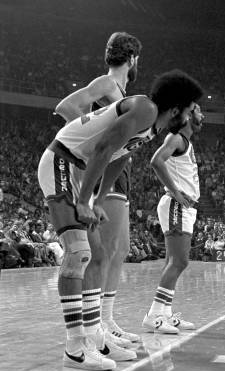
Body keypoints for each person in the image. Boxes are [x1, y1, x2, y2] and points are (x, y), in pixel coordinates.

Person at [37, 69, 203, 369]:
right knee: (79, 253)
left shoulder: (151, 127)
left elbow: (120, 156)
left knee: (98, 256)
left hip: (77, 169)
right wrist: (85, 200)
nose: (191, 116)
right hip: (61, 160)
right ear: (176, 109)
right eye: (191, 109)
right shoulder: (145, 109)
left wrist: (98, 200)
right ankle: (75, 348)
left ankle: (96, 338)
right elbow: (103, 148)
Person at [54, 32, 143, 344]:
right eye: (137, 58)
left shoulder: (119, 90)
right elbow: (67, 107)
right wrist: (94, 145)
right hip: (106, 173)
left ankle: (106, 319)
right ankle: (98, 325)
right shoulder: (107, 84)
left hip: (119, 172)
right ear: (132, 58)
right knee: (104, 253)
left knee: (120, 251)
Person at [143, 104, 203, 334]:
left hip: (184, 208)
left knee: (173, 261)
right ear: (187, 116)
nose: (202, 115)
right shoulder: (176, 138)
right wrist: (176, 192)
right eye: (198, 111)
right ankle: (154, 315)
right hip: (177, 205)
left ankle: (165, 314)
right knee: (180, 261)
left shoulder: (185, 142)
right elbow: (156, 161)